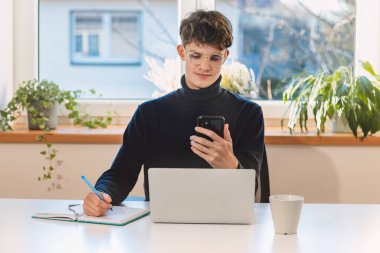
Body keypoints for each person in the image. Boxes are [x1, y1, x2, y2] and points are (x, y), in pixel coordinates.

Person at [83, 9, 265, 217]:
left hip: (226, 222)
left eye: (214, 58)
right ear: (181, 52)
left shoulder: (249, 113)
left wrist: (231, 165)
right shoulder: (149, 113)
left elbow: (251, 191)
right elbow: (121, 174)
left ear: (225, 57)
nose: (205, 66)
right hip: (162, 223)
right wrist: (101, 194)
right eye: (196, 55)